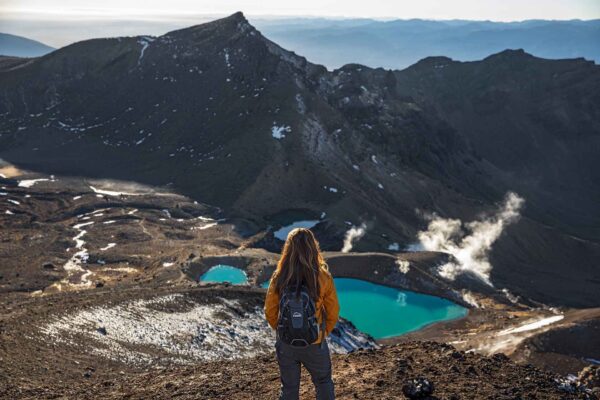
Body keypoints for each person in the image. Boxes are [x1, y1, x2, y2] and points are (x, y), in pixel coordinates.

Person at [265, 228, 340, 400]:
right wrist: (321, 333)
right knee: (323, 382)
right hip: (315, 343)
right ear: (313, 247)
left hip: (286, 344)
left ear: (288, 249)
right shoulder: (323, 276)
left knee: (289, 388)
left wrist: (284, 330)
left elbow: (270, 310)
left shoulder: (279, 276)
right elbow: (333, 312)